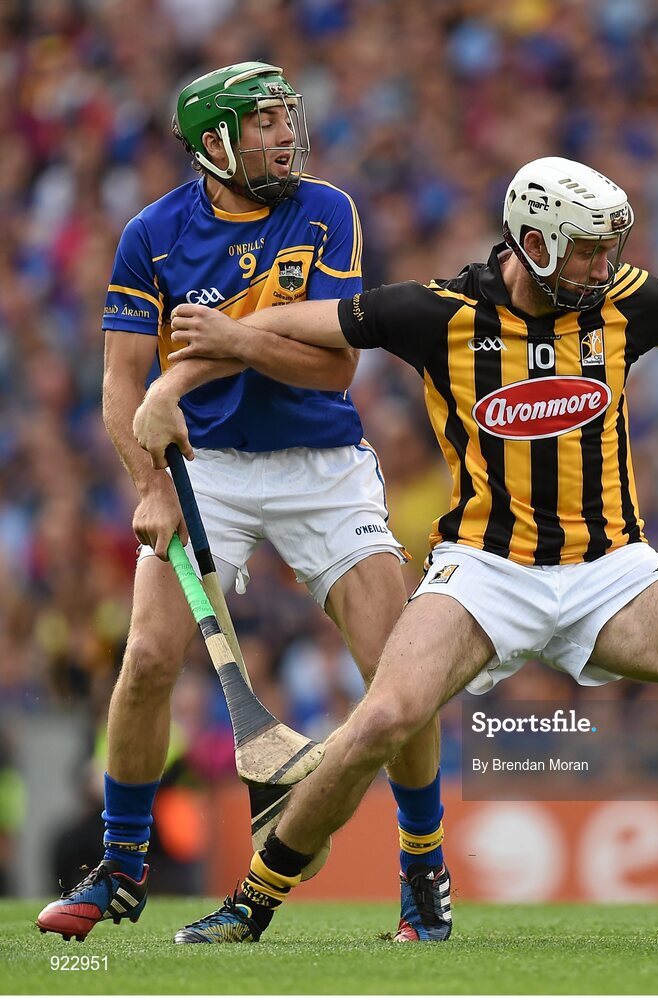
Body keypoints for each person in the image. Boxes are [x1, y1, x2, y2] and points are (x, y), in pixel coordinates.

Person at [151, 156, 658, 944]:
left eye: (609, 247)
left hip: (611, 568)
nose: (605, 264)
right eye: (587, 249)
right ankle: (252, 902)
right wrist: (184, 374)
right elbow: (294, 321)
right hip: (484, 570)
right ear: (537, 245)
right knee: (384, 718)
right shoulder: (433, 312)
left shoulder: (626, 301)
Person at [35, 62, 452, 946]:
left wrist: (226, 342)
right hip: (206, 469)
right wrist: (150, 487)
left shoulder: (326, 209)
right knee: (147, 659)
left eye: (284, 119)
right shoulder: (151, 235)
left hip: (323, 464)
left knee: (398, 676)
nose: (283, 136)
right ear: (214, 142)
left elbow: (335, 364)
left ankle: (422, 872)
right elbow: (119, 383)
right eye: (262, 123)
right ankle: (121, 866)